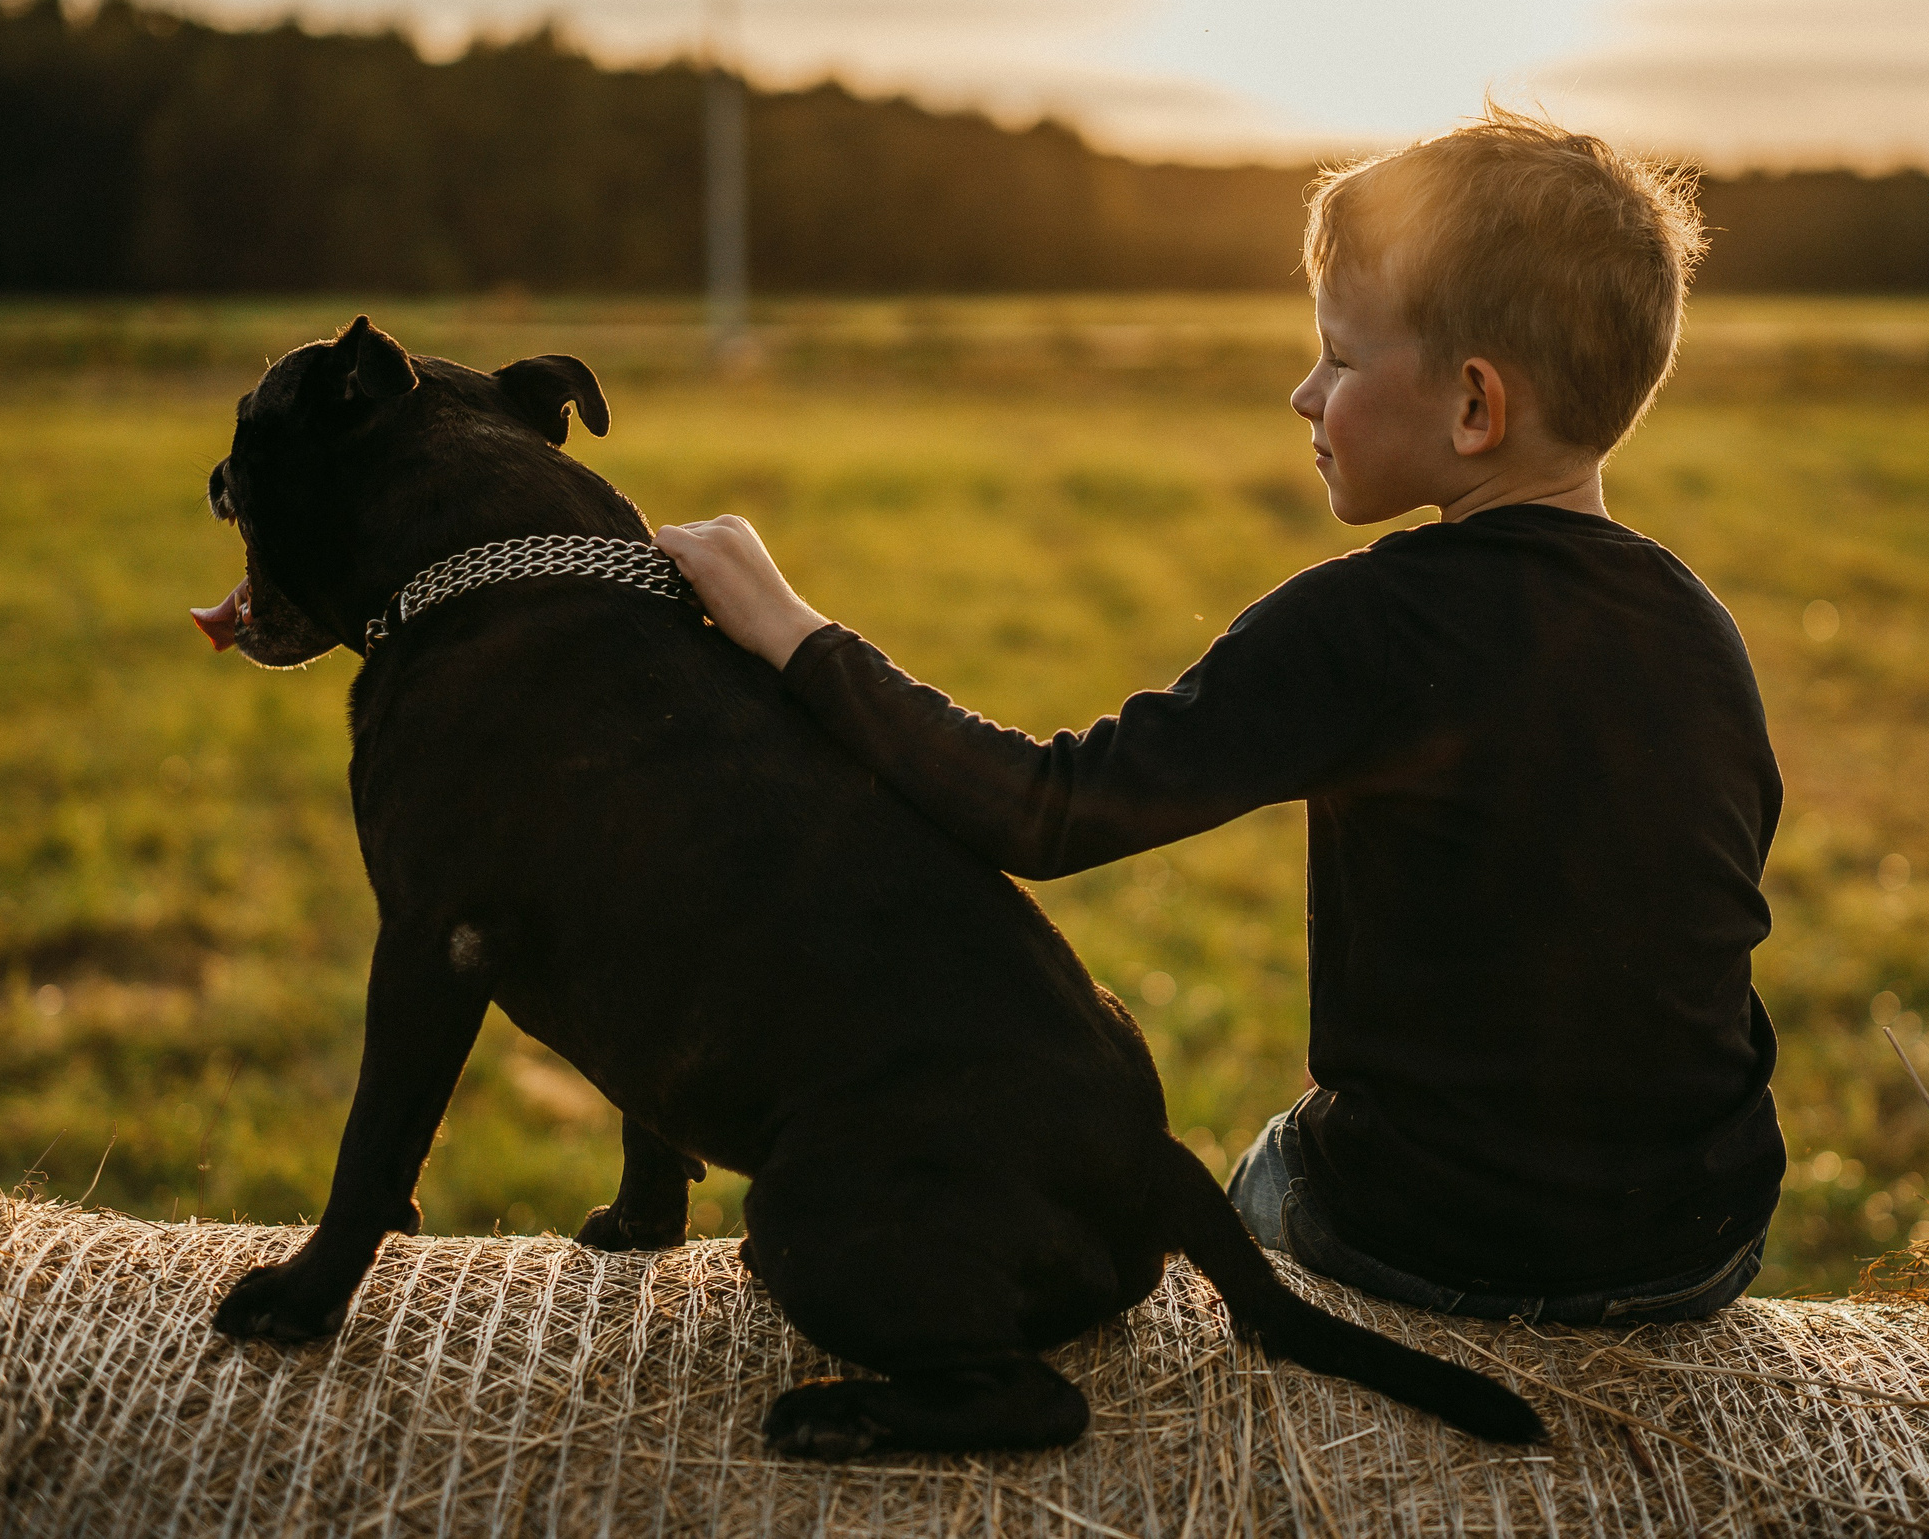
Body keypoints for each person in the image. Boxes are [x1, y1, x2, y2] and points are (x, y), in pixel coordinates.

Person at [657, 105, 1784, 1325]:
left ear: (1473, 408)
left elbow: (1050, 809)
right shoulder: (1699, 627)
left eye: (1340, 359)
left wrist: (794, 637)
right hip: (1700, 1235)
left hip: (1436, 1235)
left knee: (1257, 1180)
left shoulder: (1362, 626)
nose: (1304, 394)